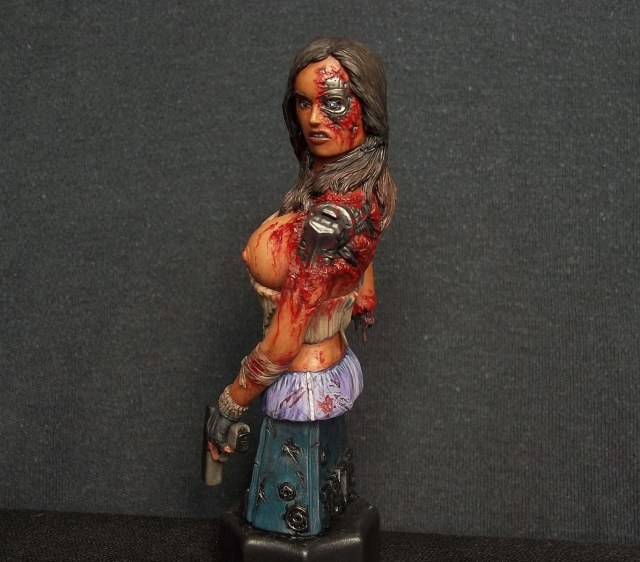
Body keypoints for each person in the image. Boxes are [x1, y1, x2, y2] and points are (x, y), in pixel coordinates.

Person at [207, 36, 397, 536]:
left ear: (366, 108)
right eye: (303, 102)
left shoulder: (331, 221)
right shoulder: (355, 179)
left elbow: (286, 338)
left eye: (332, 103)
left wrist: (230, 402)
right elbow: (365, 253)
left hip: (299, 371)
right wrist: (363, 294)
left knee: (288, 500)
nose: (314, 119)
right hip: (324, 355)